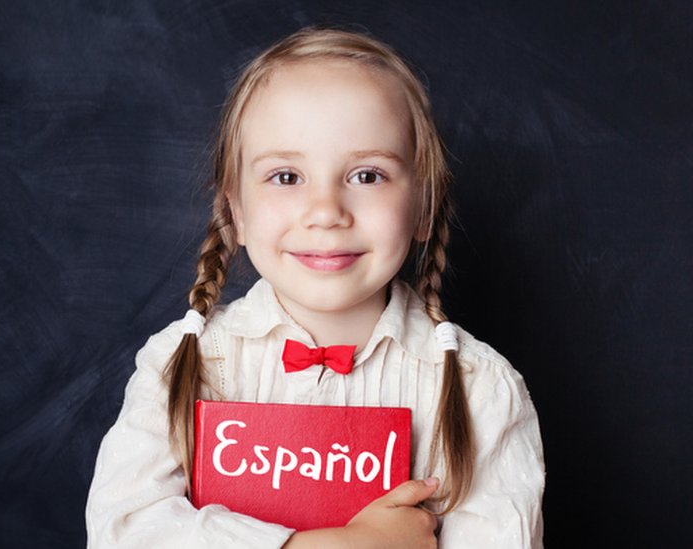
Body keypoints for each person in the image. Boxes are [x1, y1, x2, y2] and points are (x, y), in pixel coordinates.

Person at [86, 27, 544, 548]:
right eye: (286, 176)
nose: (326, 212)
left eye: (367, 176)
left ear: (422, 206)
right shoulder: (183, 364)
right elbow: (124, 531)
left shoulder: (481, 390)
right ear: (234, 208)